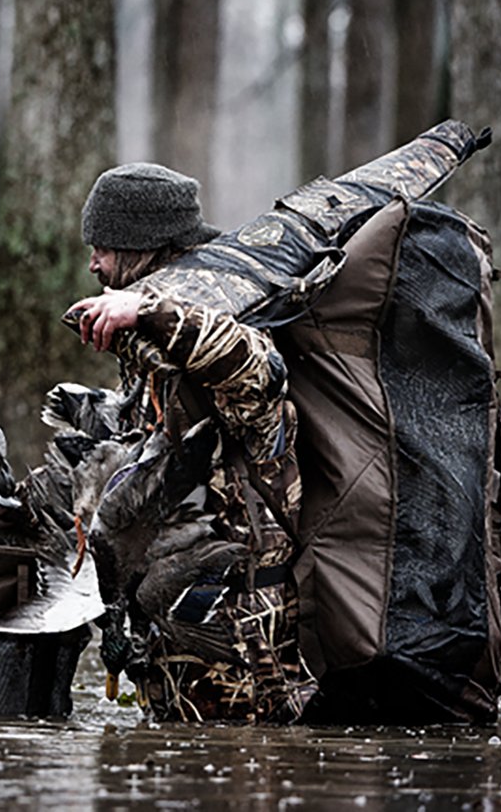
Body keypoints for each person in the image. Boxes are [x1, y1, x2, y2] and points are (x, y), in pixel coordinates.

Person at [64, 163, 316, 724]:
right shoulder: (155, 357)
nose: (93, 264)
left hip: (244, 642)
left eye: (103, 248)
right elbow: (132, 463)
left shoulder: (240, 325)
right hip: (171, 634)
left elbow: (255, 366)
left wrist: (149, 309)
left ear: (141, 249)